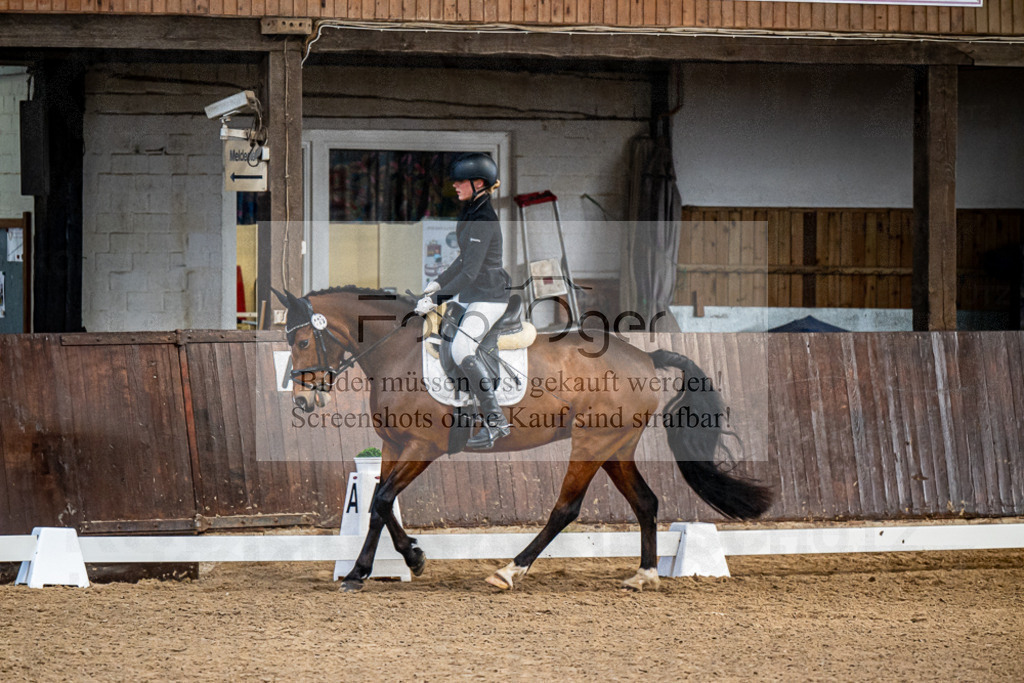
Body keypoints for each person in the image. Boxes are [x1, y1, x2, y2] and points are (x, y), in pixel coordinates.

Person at [415, 153, 512, 449]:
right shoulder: (471, 210)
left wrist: (437, 300)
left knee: (461, 348)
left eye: (460, 181)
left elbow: (470, 272)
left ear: (478, 182)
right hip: (474, 295)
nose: (455, 186)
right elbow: (463, 260)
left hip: (489, 297)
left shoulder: (483, 218)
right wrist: (437, 284)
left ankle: (495, 420)